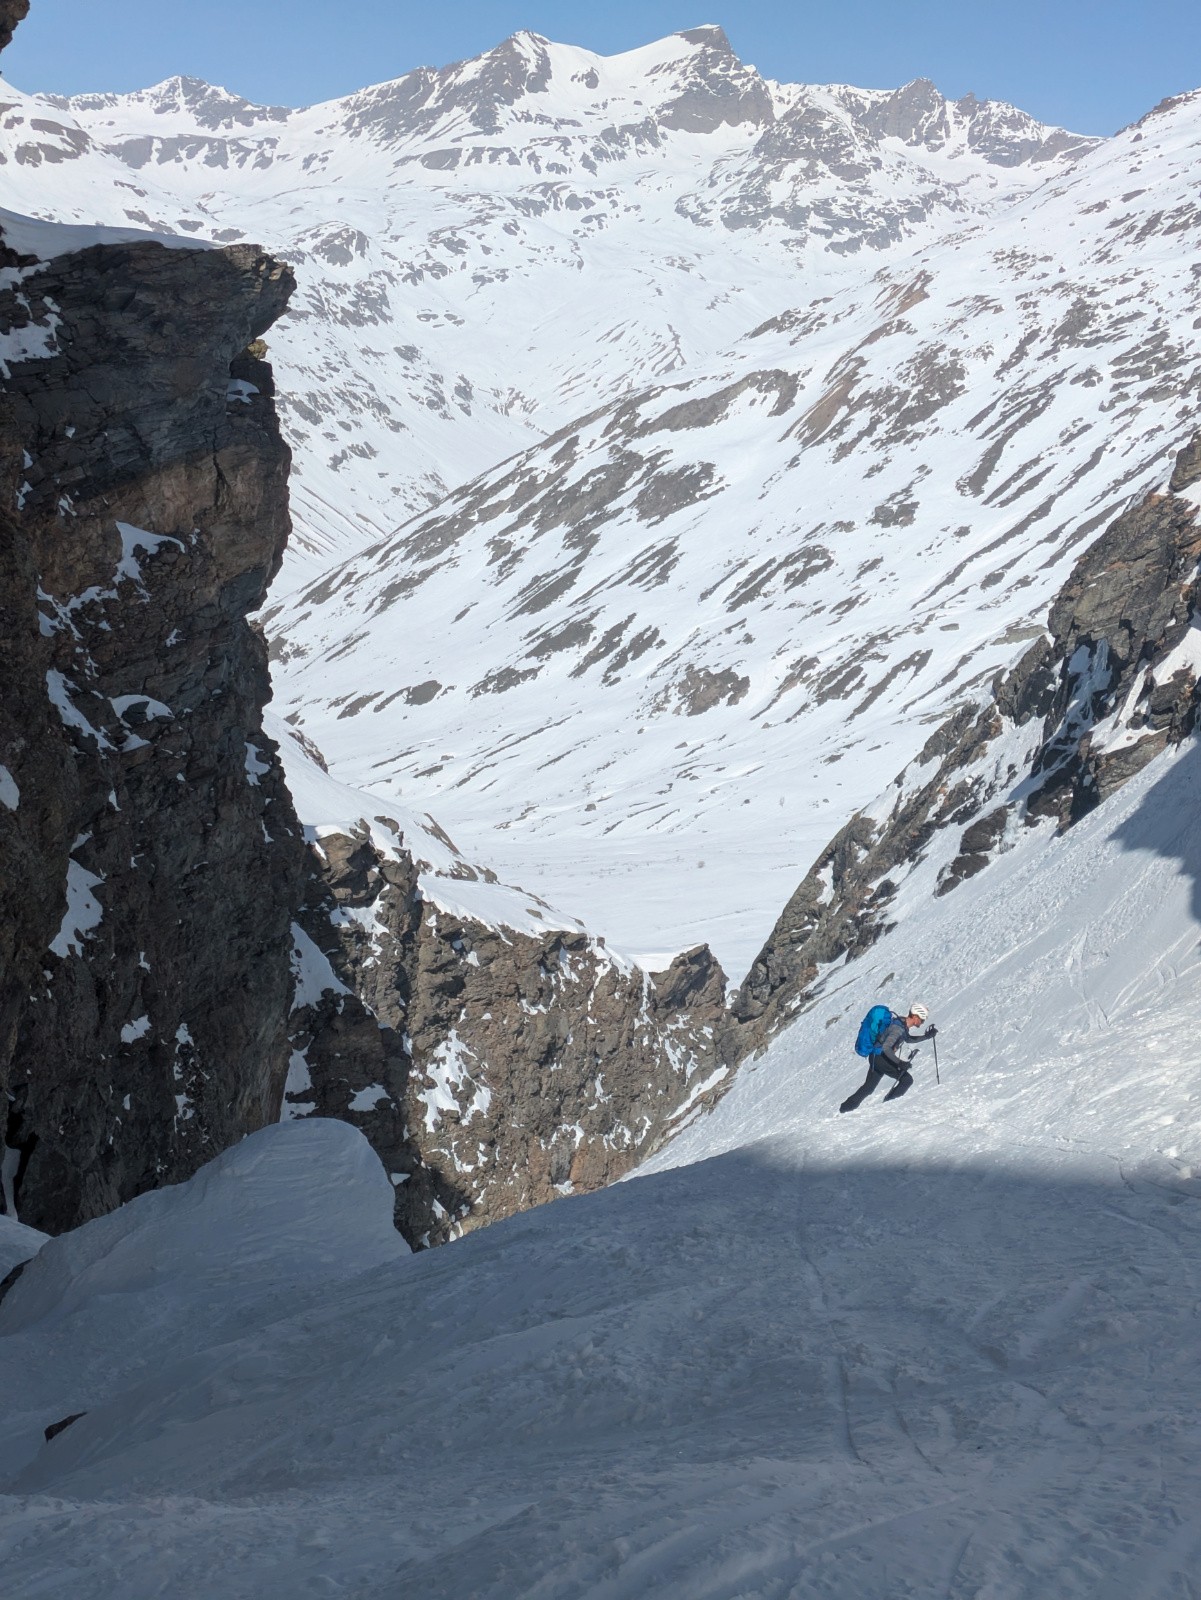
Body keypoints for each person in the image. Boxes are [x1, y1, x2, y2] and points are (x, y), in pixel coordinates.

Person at [839, 1003, 937, 1112]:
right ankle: (887, 1107)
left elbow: (908, 1039)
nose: (923, 1022)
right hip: (881, 1057)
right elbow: (886, 1048)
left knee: (868, 1088)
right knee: (906, 1080)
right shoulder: (898, 1028)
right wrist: (900, 1063)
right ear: (915, 1017)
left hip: (876, 1056)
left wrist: (926, 1036)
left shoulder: (901, 1023)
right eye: (922, 1020)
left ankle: (845, 1108)